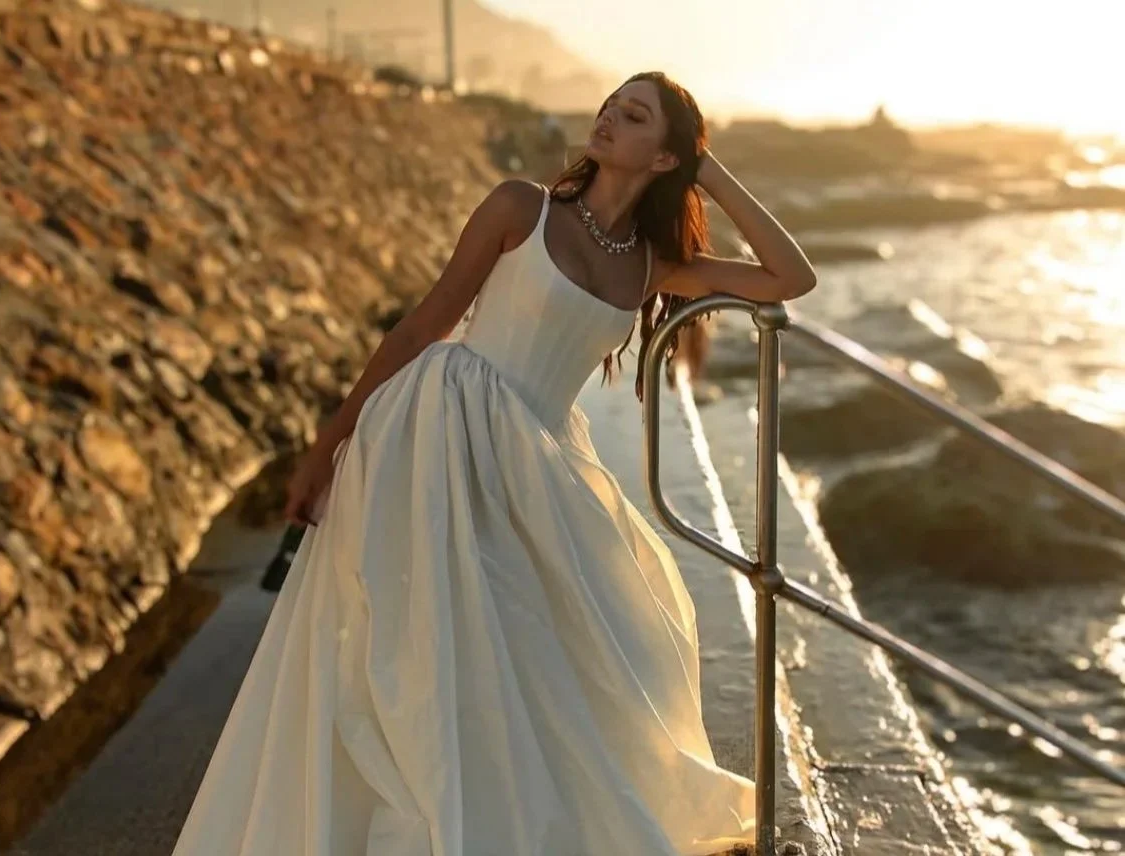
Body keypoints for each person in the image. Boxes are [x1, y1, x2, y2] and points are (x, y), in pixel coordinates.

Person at [172, 71, 816, 856]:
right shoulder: (522, 207)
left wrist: (706, 170)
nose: (608, 116)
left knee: (583, 644)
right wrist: (327, 444)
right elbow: (421, 328)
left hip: (538, 465)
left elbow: (792, 277)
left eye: (634, 115)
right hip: (436, 435)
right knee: (422, 645)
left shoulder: (652, 265)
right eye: (612, 103)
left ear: (663, 157)